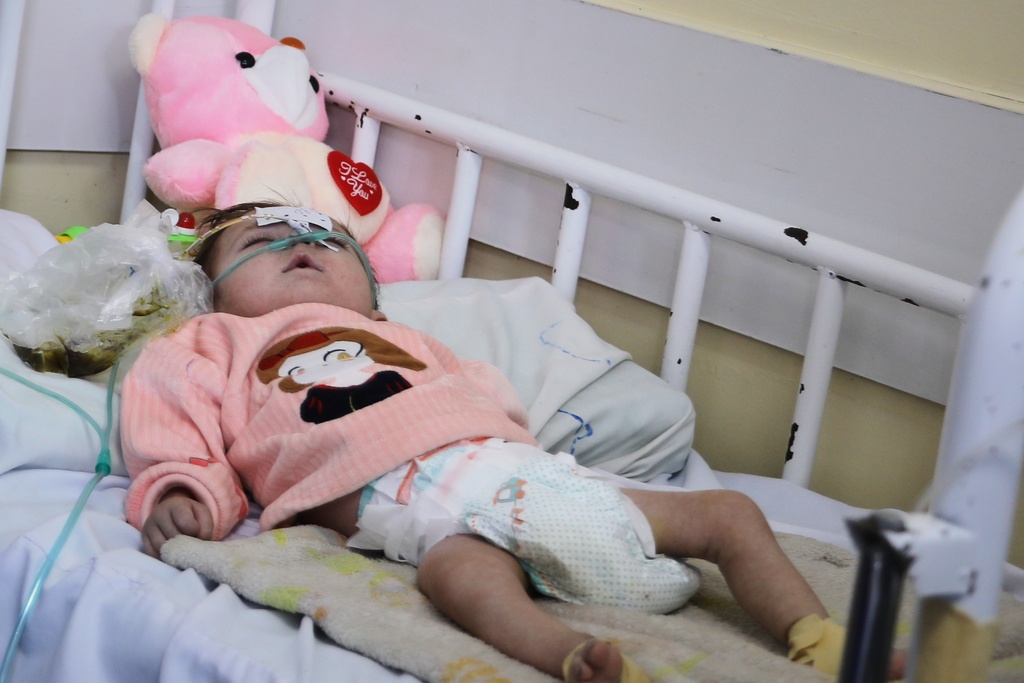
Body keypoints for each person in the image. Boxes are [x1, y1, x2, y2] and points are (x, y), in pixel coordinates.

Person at [122, 202, 904, 682]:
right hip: (423, 516)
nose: (299, 238)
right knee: (458, 576)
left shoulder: (407, 336)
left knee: (729, 513)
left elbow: (493, 400)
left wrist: (540, 475)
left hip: (536, 481)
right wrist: (189, 493)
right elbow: (177, 430)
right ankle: (569, 654)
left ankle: (820, 639)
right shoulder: (214, 341)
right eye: (263, 237)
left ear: (371, 286)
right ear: (211, 287)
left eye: (325, 237)